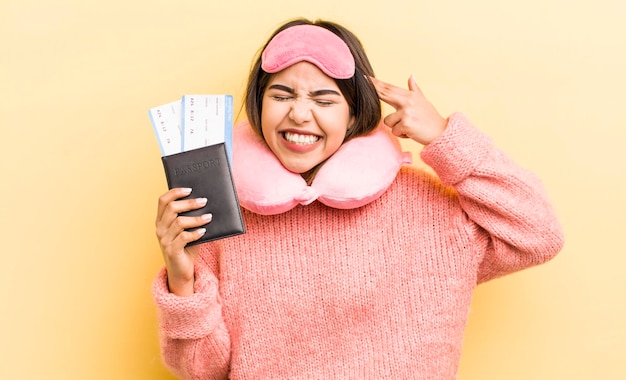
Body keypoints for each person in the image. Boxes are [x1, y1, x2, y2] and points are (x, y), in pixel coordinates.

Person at [152, 18, 564, 379]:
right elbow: (204, 371)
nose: (298, 114)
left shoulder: (428, 208)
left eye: (323, 99)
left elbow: (538, 233)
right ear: (259, 108)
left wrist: (443, 136)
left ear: (353, 113)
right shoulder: (221, 215)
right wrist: (182, 279)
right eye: (281, 95)